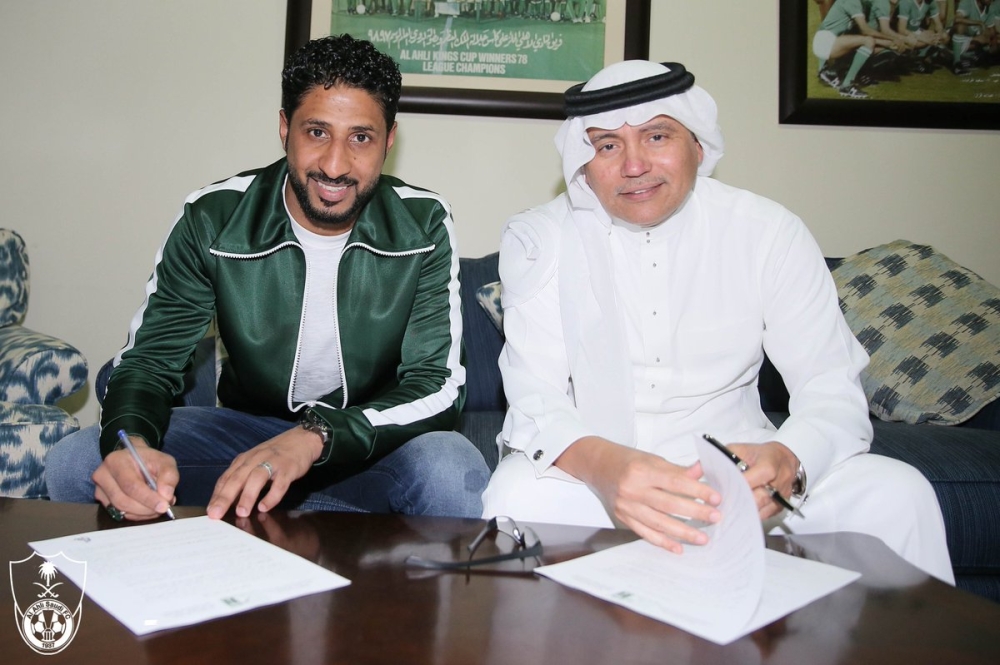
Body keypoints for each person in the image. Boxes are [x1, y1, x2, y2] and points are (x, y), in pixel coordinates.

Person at [481, 60, 955, 584]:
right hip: (593, 471)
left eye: (657, 136)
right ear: (583, 165)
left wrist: (789, 461)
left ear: (698, 145)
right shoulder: (540, 239)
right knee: (517, 496)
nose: (634, 165)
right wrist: (608, 470)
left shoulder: (768, 231)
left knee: (896, 494)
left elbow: (830, 386)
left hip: (740, 473)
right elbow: (536, 396)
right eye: (608, 145)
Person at [45, 34, 489, 522]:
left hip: (370, 443)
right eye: (316, 132)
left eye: (360, 138)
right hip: (245, 436)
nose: (335, 165)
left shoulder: (423, 223)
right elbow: (149, 361)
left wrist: (317, 436)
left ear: (388, 141)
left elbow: (437, 385)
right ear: (284, 128)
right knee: (78, 461)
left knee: (452, 469)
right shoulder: (214, 218)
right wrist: (132, 446)